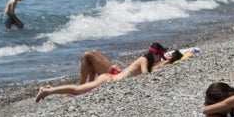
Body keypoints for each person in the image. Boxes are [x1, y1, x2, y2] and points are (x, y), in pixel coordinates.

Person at [35, 43, 178, 101]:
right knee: (78, 90)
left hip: (109, 78)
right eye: (160, 55)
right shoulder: (144, 59)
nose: (160, 58)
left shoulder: (146, 60)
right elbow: (146, 77)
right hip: (108, 79)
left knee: (81, 92)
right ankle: (47, 91)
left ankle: (49, 90)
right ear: (155, 53)